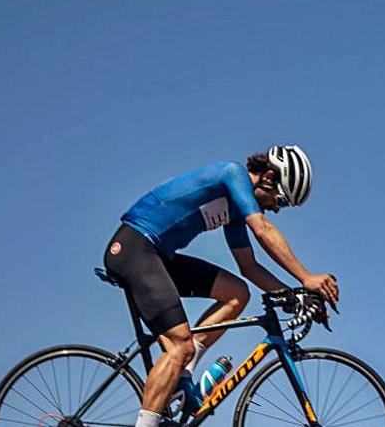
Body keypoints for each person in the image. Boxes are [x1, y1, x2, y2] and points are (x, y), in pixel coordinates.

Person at [101, 145, 338, 427]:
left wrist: (295, 296)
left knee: (237, 294)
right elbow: (262, 230)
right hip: (135, 249)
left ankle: (183, 373)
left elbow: (249, 267)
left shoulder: (235, 210)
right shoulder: (232, 174)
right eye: (282, 200)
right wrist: (306, 277)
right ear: (269, 177)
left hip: (158, 256)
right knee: (180, 345)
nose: (276, 208)